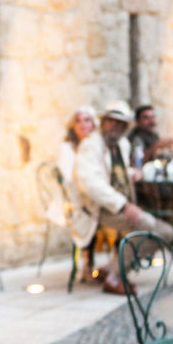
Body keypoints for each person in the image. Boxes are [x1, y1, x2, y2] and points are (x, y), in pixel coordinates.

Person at [75, 100, 173, 295]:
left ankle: (110, 270)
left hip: (122, 204)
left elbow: (115, 172)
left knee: (167, 232)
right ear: (104, 122)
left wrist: (133, 174)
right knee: (148, 227)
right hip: (98, 210)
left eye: (120, 123)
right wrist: (123, 206)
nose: (115, 126)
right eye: (111, 121)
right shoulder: (91, 145)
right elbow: (91, 184)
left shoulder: (121, 144)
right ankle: (116, 276)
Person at [56, 105, 102, 282]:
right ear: (73, 125)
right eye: (78, 121)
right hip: (73, 200)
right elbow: (68, 180)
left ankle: (112, 267)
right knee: (90, 214)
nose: (83, 124)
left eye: (87, 120)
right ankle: (88, 265)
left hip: (92, 196)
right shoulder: (67, 147)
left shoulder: (97, 144)